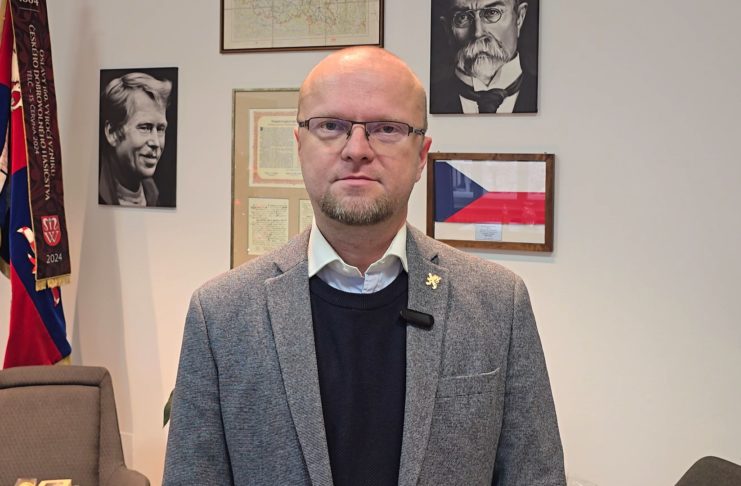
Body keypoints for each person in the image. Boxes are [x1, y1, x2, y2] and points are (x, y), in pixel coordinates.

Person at [163, 47, 565, 485]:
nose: (356, 150)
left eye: (386, 128)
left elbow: (536, 476)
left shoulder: (498, 304)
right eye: (331, 126)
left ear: (421, 155)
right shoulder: (220, 316)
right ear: (299, 146)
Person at [430, 0, 537, 114]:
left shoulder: (546, 93)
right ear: (447, 28)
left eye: (492, 12)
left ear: (520, 17)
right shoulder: (429, 98)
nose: (478, 33)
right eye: (463, 17)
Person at [99, 72, 171, 206]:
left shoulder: (155, 196)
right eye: (145, 128)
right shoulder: (95, 193)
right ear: (112, 133)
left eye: (160, 129)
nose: (156, 143)